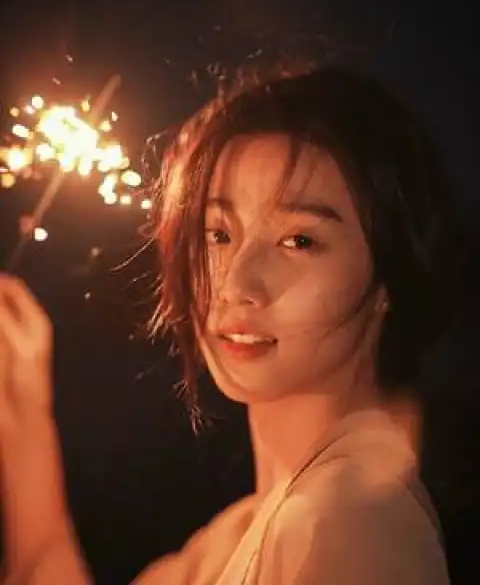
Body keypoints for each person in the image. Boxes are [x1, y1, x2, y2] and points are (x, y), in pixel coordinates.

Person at [0, 66, 459, 583]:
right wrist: (19, 401)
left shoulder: (349, 529)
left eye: (299, 241)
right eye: (218, 233)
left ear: (390, 277)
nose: (236, 284)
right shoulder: (248, 527)